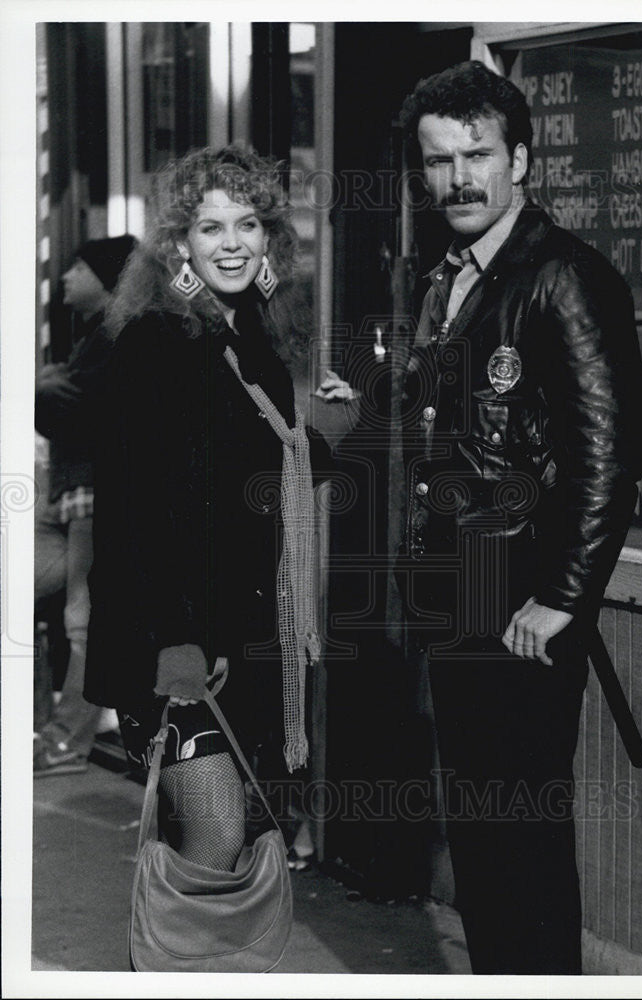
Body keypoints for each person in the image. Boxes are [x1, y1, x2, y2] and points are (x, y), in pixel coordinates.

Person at [396, 61, 642, 974]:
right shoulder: (449, 278)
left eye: (477, 154)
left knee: (521, 841)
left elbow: (606, 458)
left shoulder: (565, 277)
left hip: (521, 607)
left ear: (521, 161)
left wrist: (561, 597)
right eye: (439, 161)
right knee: (483, 837)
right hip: (460, 597)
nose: (458, 177)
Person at [85, 145, 338, 874]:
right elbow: (140, 509)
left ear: (270, 239)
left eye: (248, 224)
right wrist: (178, 640)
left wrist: (322, 435)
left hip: (240, 634)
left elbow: (247, 470)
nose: (232, 244)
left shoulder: (247, 336)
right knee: (216, 835)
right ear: (178, 245)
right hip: (173, 645)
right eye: (210, 228)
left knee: (211, 850)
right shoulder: (156, 342)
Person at [34, 235, 138, 775]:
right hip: (70, 490)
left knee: (84, 620)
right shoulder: (93, 335)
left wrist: (48, 386)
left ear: (106, 277)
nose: (66, 276)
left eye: (79, 266)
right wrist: (51, 388)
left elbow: (76, 407)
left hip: (95, 488)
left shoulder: (118, 333)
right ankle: (47, 730)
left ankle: (64, 740)